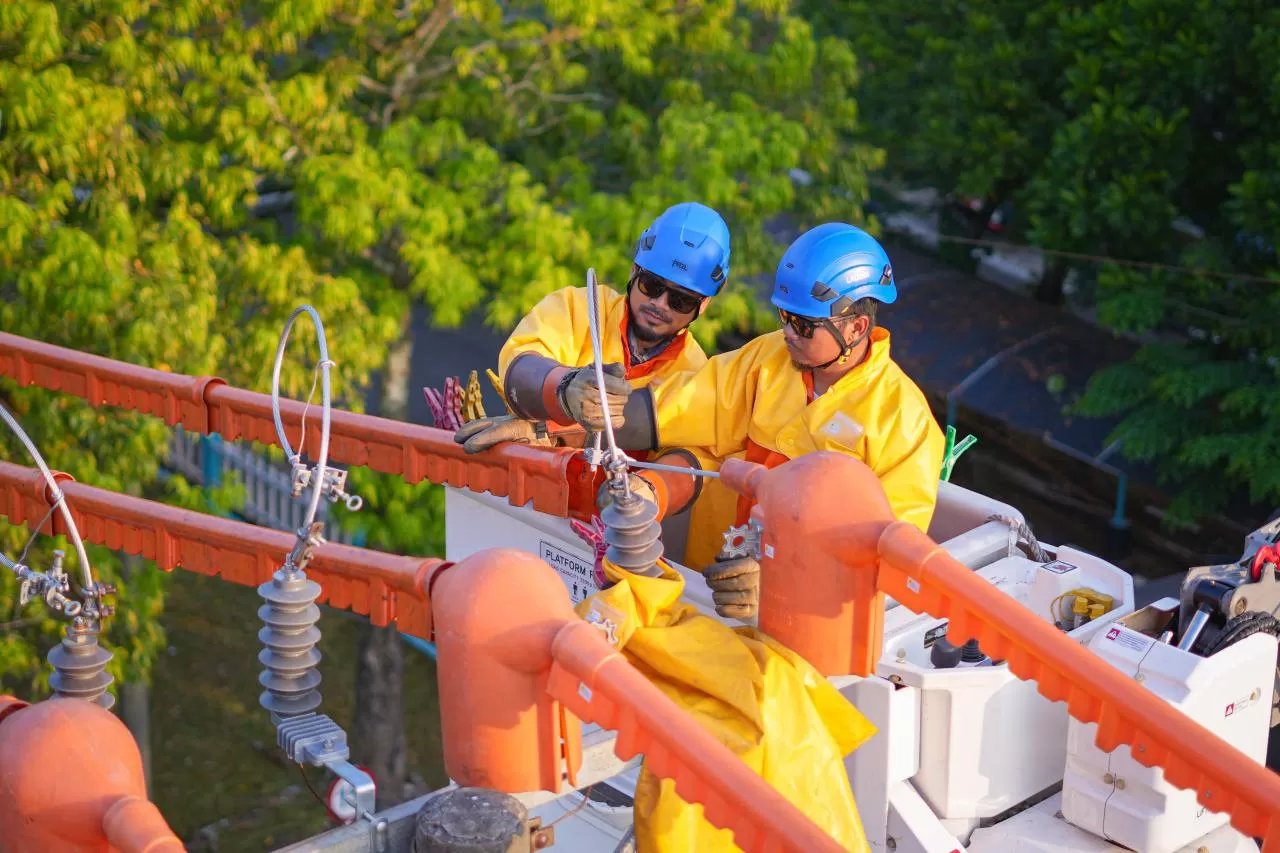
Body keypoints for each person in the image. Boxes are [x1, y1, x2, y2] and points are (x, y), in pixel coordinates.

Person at [605, 222, 946, 619]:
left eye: (804, 324)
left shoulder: (904, 420)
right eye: (785, 315)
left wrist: (781, 579)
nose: (787, 332)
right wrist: (567, 415)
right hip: (710, 587)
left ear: (856, 327)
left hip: (802, 618)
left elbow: (885, 551)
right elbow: (677, 407)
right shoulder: (767, 360)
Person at [454, 201, 731, 486]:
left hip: (614, 518)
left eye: (681, 300)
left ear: (704, 305)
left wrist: (652, 494)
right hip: (531, 491)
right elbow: (521, 362)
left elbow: (689, 459)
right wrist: (565, 388)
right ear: (634, 271)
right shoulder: (579, 308)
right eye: (652, 285)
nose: (659, 304)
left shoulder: (696, 374)